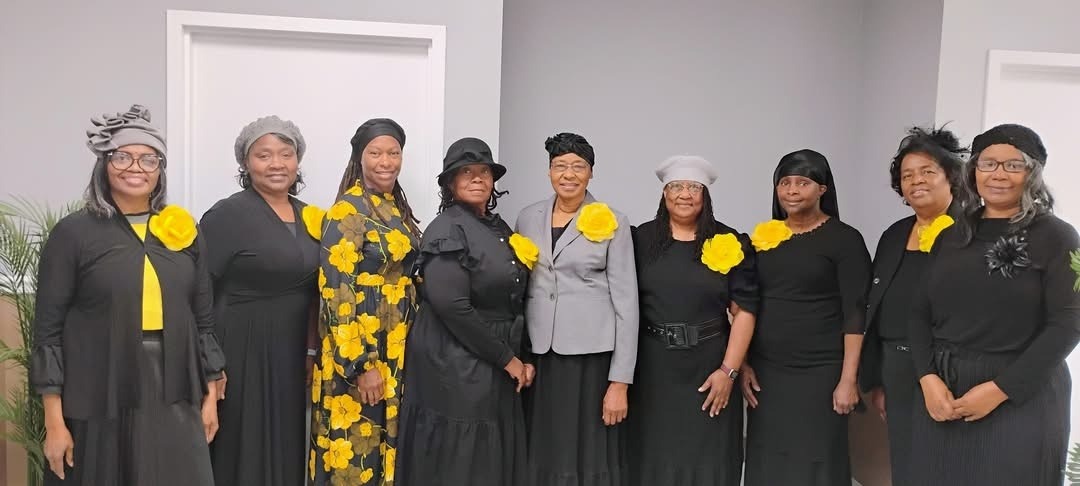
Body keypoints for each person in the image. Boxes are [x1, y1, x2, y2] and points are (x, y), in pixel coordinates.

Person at [31, 104, 225, 485]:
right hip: (97, 383)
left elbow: (202, 319)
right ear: (104, 164)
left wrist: (209, 396)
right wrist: (54, 422)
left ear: (160, 170)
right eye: (123, 156)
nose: (136, 167)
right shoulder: (73, 234)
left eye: (148, 159)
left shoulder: (183, 229)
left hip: (174, 384)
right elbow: (48, 332)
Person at [908, 124, 1079, 485]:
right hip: (943, 392)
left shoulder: (1059, 237)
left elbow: (1068, 323)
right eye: (988, 163)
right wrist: (927, 378)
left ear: (1032, 173)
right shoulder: (951, 232)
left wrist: (1001, 389)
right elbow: (918, 310)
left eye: (1013, 165)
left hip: (1021, 394)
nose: (998, 174)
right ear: (973, 172)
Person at [396, 137, 530, 486]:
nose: (476, 178)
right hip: (455, 359)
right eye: (465, 172)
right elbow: (451, 306)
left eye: (483, 171)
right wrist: (507, 359)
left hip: (491, 354)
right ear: (451, 183)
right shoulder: (447, 228)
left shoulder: (498, 227)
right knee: (461, 458)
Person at [200, 115, 318, 486]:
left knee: (286, 442)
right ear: (245, 163)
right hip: (240, 345)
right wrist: (210, 364)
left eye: (286, 153)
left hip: (291, 350)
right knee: (242, 443)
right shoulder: (226, 215)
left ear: (298, 160)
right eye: (263, 155)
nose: (276, 163)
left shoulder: (309, 216)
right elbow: (198, 288)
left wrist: (312, 351)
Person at [741, 149, 871, 486]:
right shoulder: (763, 237)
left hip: (822, 371)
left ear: (822, 189)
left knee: (817, 458)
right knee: (768, 456)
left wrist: (848, 379)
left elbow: (856, 312)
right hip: (768, 371)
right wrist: (744, 364)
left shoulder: (845, 239)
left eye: (803, 182)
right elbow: (747, 305)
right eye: (784, 183)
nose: (792, 190)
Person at [515, 132, 638, 486]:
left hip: (591, 358)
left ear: (591, 173)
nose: (568, 174)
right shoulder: (527, 217)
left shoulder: (614, 220)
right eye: (559, 166)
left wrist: (620, 381)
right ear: (549, 172)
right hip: (540, 355)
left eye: (578, 166)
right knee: (543, 447)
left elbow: (627, 304)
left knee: (585, 452)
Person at [627, 155, 759, 485]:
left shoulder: (730, 241)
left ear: (705, 195)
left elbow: (744, 310)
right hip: (653, 367)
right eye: (676, 186)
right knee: (654, 456)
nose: (685, 194)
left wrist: (728, 371)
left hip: (710, 365)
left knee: (708, 459)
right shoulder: (639, 240)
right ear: (663, 194)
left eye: (693, 187)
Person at [310, 118, 421, 485]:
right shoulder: (348, 210)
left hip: (396, 348)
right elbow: (335, 292)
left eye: (393, 152)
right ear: (360, 157)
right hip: (363, 350)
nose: (386, 161)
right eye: (375, 153)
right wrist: (360, 365)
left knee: (383, 451)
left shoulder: (393, 208)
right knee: (357, 452)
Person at [857, 126, 965, 485]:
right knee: (905, 462)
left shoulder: (971, 233)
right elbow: (877, 306)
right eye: (907, 175)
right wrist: (879, 378)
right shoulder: (894, 234)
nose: (916, 181)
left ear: (951, 176)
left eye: (927, 171)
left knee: (948, 464)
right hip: (897, 366)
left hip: (950, 367)